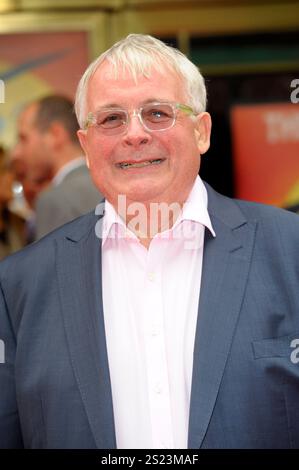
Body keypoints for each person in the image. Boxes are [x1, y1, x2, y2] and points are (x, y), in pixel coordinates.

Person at [0, 34, 299, 449]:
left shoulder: (290, 251)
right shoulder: (20, 286)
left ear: (201, 132)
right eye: (111, 119)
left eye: (157, 113)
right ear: (86, 146)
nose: (135, 135)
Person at [11, 95, 102, 240]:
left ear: (55, 134)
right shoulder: (109, 184)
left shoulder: (55, 200)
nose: (16, 152)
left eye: (24, 138)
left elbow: (50, 263)